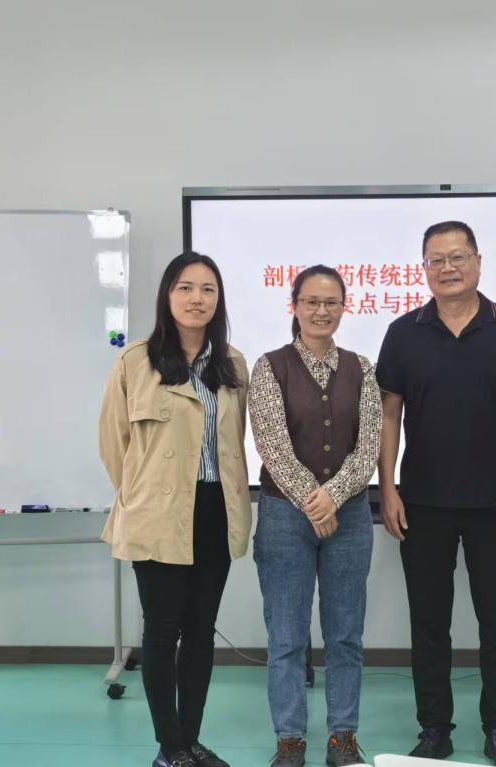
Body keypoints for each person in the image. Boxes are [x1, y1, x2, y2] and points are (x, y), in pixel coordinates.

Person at [376, 221, 496, 767]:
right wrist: (388, 488)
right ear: (424, 268)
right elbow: (388, 415)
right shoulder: (403, 332)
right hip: (422, 501)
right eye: (437, 259)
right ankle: (434, 730)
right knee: (429, 624)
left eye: (458, 257)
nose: (448, 267)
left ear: (478, 261)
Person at [99, 252, 252, 767]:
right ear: (167, 296)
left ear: (218, 300)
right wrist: (144, 495)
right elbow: (114, 444)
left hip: (215, 510)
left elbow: (234, 444)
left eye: (208, 289)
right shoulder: (135, 361)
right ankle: (169, 747)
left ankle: (190, 739)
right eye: (185, 287)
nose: (196, 299)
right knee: (162, 632)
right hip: (158, 514)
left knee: (201, 632)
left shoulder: (232, 364)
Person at [249, 265, 382, 767]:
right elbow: (271, 444)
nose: (321, 311)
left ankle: (342, 738)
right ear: (295, 306)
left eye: (331, 302)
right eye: (311, 301)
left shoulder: (363, 369)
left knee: (345, 635)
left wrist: (334, 497)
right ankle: (289, 740)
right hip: (285, 519)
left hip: (349, 520)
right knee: (287, 637)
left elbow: (368, 447)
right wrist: (313, 499)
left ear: (344, 307)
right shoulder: (270, 367)